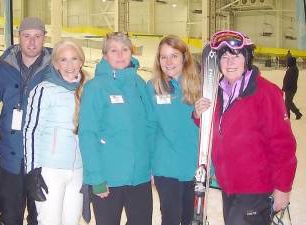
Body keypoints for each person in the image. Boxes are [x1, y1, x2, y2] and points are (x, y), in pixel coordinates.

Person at [194, 30, 297, 225]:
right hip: (229, 186)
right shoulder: (218, 91)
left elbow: (283, 144)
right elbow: (223, 128)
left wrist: (283, 188)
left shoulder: (266, 92)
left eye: (236, 56)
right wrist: (200, 115)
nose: (230, 62)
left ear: (247, 59)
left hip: (255, 189)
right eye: (224, 56)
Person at [78, 32, 154, 225]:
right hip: (109, 178)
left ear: (131, 52)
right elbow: (88, 133)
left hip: (140, 176)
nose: (120, 55)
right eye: (114, 50)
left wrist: (151, 166)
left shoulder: (139, 84)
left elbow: (149, 127)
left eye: (124, 49)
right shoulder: (95, 87)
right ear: (105, 55)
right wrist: (95, 177)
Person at [23, 39, 88, 225]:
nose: (69, 65)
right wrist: (32, 171)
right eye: (63, 60)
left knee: (72, 221)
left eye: (74, 59)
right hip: (50, 170)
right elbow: (31, 131)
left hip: (78, 170)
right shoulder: (44, 90)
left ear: (81, 61)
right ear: (55, 63)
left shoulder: (87, 90)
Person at [0, 17, 52, 225]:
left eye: (37, 36)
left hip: (42, 157)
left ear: (44, 38)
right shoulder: (3, 67)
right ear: (18, 37)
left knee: (39, 215)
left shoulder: (54, 67)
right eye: (26, 36)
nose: (32, 42)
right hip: (11, 155)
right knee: (10, 215)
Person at [146, 35, 201, 225]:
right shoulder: (153, 87)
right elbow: (150, 128)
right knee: (170, 218)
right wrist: (150, 166)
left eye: (174, 56)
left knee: (189, 219)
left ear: (185, 57)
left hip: (194, 167)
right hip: (166, 166)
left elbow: (212, 130)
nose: (168, 62)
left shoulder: (199, 87)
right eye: (163, 57)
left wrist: (209, 165)